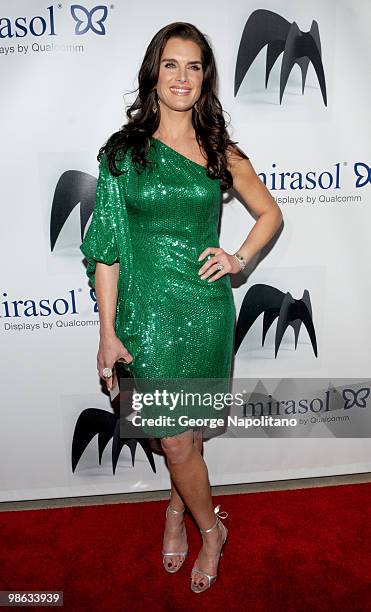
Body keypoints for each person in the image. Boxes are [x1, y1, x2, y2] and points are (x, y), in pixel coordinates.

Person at [80, 22, 283, 593]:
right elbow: (107, 249)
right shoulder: (123, 153)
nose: (182, 77)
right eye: (171, 64)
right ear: (154, 72)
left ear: (205, 78)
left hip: (204, 309)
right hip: (145, 312)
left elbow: (270, 213)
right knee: (172, 436)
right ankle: (209, 527)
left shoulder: (219, 151)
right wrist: (106, 331)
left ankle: (180, 514)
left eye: (194, 66)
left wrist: (239, 258)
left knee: (184, 435)